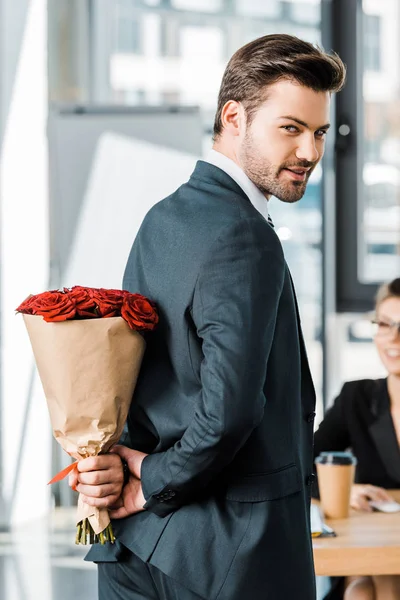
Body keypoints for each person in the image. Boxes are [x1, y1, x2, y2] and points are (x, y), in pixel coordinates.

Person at [69, 34, 346, 599]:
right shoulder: (245, 236)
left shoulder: (163, 218)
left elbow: (131, 373)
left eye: (318, 132)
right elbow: (229, 413)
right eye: (290, 128)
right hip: (226, 555)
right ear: (234, 117)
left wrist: (121, 475)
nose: (310, 152)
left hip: (135, 550)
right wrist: (150, 486)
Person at [314, 277, 400, 600]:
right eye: (385, 324)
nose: (394, 338)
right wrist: (344, 490)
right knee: (362, 592)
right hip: (366, 556)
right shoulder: (357, 398)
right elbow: (303, 465)